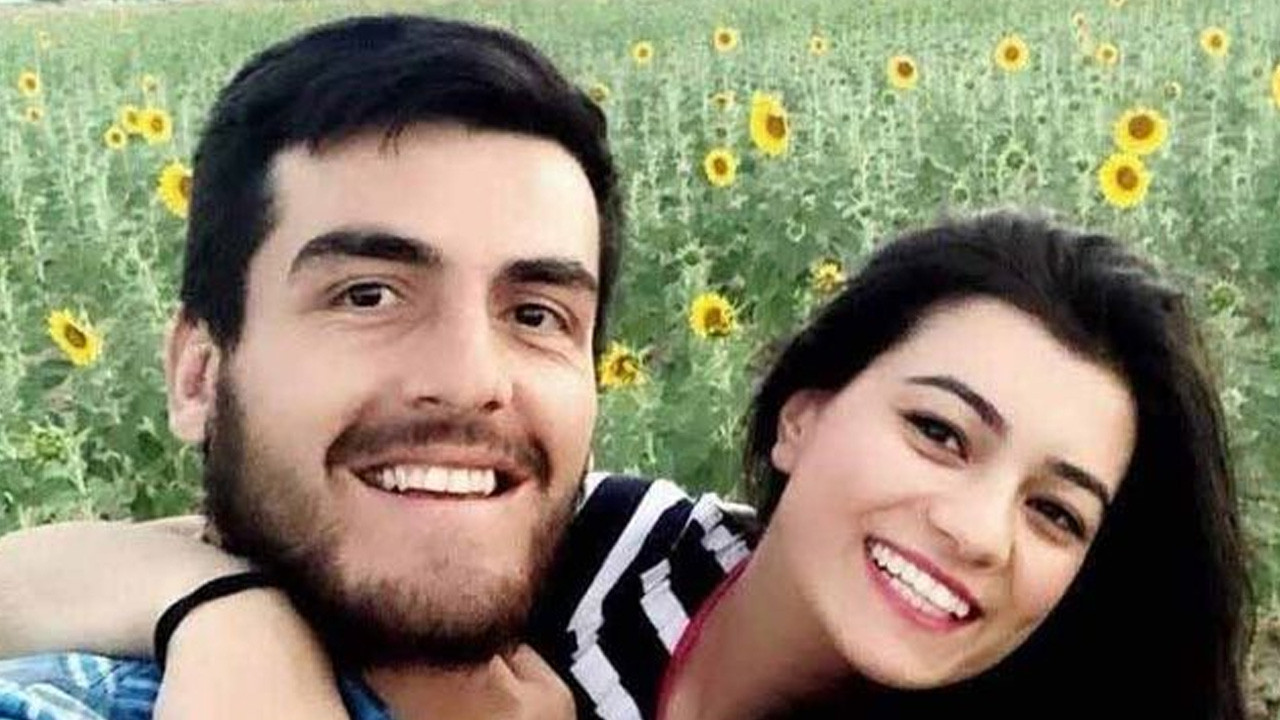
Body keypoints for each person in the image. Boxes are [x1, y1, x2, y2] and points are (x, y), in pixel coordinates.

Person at [0, 213, 1254, 720]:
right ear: (802, 420)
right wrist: (234, 625)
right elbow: (43, 579)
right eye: (938, 433)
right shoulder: (609, 542)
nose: (978, 529)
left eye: (1054, 513)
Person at [0, 12, 625, 720]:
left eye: (536, 315)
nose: (469, 381)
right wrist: (230, 615)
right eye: (368, 296)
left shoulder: (642, 577)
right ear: (198, 376)